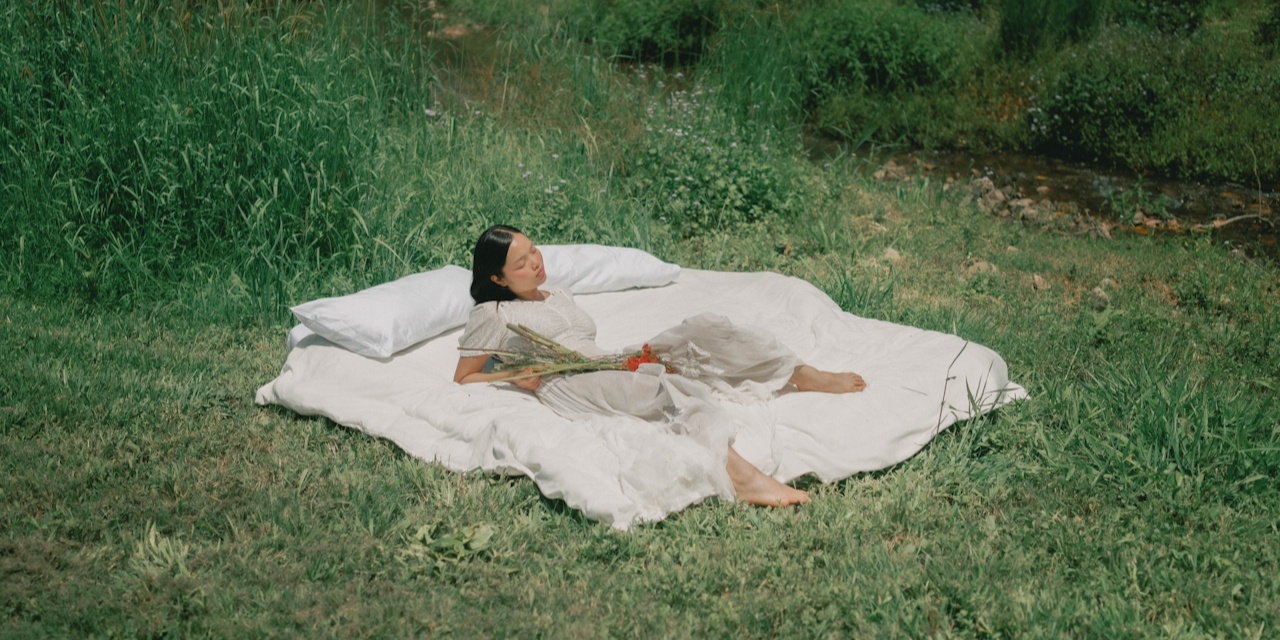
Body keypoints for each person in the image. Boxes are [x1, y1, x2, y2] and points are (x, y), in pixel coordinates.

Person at [453, 224, 866, 507]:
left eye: (534, 250)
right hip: (566, 381)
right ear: (499, 279)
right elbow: (465, 376)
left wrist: (632, 360)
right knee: (665, 388)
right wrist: (519, 378)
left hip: (608, 360)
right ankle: (742, 477)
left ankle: (799, 373)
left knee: (703, 329)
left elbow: (591, 345)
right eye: (521, 263)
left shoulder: (557, 294)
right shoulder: (493, 313)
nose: (536, 263)